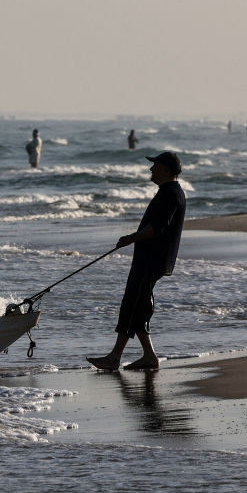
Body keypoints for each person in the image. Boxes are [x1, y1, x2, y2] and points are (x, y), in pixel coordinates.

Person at [86, 151, 186, 371]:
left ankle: (116, 358)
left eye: (155, 166)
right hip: (151, 259)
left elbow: (156, 229)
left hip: (152, 260)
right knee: (135, 304)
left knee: (134, 303)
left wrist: (130, 238)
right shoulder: (169, 192)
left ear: (166, 170)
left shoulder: (170, 194)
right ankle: (144, 356)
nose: (151, 170)